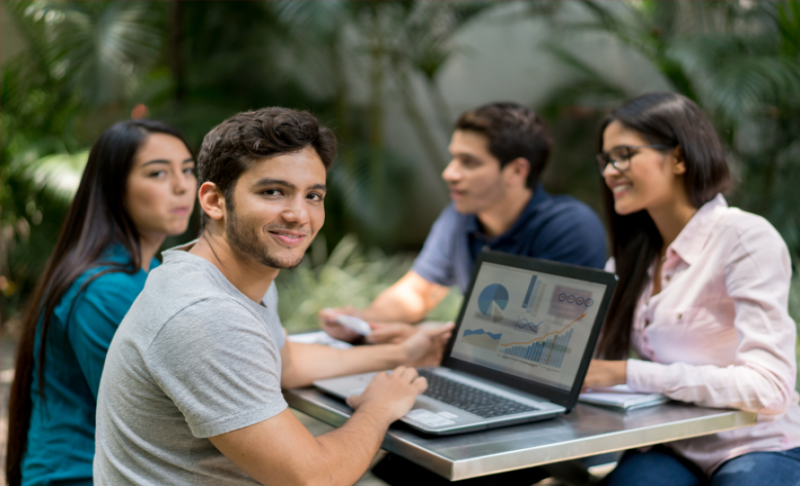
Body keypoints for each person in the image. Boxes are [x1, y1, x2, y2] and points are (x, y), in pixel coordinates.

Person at [93, 107, 452, 485]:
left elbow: (287, 361)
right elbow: (314, 479)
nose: (299, 215)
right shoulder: (205, 316)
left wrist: (404, 353)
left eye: (313, 195)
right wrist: (379, 408)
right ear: (214, 201)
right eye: (273, 192)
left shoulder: (235, 272)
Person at [583, 92, 800, 486]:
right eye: (606, 160)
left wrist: (628, 372)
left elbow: (769, 389)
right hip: (671, 444)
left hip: (758, 442)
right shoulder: (628, 261)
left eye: (624, 155)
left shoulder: (743, 237)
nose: (611, 171)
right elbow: (589, 365)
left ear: (679, 159)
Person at [5, 119, 197, 486]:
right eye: (158, 173)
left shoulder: (148, 272)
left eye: (187, 170)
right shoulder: (103, 289)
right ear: (114, 188)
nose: (182, 185)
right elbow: (163, 415)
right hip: (79, 477)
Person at [321, 101, 607, 344]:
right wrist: (362, 320)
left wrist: (422, 336)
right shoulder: (461, 218)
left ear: (516, 171)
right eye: (454, 158)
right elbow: (418, 292)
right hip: (474, 365)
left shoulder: (570, 228)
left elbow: (547, 338)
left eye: (468, 162)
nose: (450, 173)